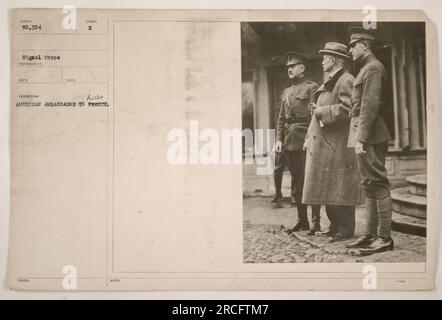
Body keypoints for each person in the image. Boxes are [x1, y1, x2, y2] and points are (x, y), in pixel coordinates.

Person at [302, 42, 363, 242]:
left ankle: (345, 229)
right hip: (328, 144)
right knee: (330, 188)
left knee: (341, 187)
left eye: (324, 58)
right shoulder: (331, 80)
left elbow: (349, 109)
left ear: (334, 59)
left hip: (339, 145)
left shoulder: (346, 79)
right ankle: (335, 226)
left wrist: (322, 111)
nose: (321, 62)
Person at [344, 27, 394, 255]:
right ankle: (369, 233)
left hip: (371, 135)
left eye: (354, 45)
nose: (351, 49)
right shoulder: (366, 68)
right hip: (362, 133)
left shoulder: (373, 68)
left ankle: (384, 237)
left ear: (365, 44)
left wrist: (361, 138)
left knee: (378, 182)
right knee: (368, 183)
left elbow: (370, 106)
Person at [275, 51, 321, 233]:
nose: (290, 69)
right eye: (288, 67)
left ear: (302, 68)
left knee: (311, 179)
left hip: (306, 140)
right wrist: (279, 139)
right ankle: (302, 220)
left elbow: (315, 116)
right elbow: (281, 119)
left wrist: (311, 137)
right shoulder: (286, 92)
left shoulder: (311, 87)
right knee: (297, 182)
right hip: (290, 142)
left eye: (293, 66)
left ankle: (315, 222)